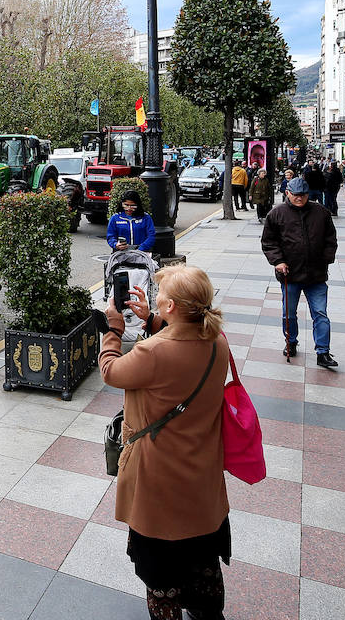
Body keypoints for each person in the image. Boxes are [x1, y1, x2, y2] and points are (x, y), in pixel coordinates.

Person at [99, 265, 231, 620]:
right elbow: (183, 345)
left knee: (162, 575)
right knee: (202, 557)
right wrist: (153, 320)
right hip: (202, 473)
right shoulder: (217, 340)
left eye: (161, 298)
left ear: (172, 307)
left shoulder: (152, 353)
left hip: (159, 479)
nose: (156, 300)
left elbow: (111, 371)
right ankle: (207, 611)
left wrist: (114, 330)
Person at [261, 177, 339, 368]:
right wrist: (278, 261)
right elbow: (269, 242)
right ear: (288, 193)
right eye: (295, 195)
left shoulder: (321, 212)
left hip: (316, 275)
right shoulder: (277, 214)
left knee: (320, 313)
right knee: (289, 313)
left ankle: (323, 352)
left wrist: (326, 259)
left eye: (303, 195)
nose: (299, 199)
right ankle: (291, 342)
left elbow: (331, 239)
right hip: (290, 275)